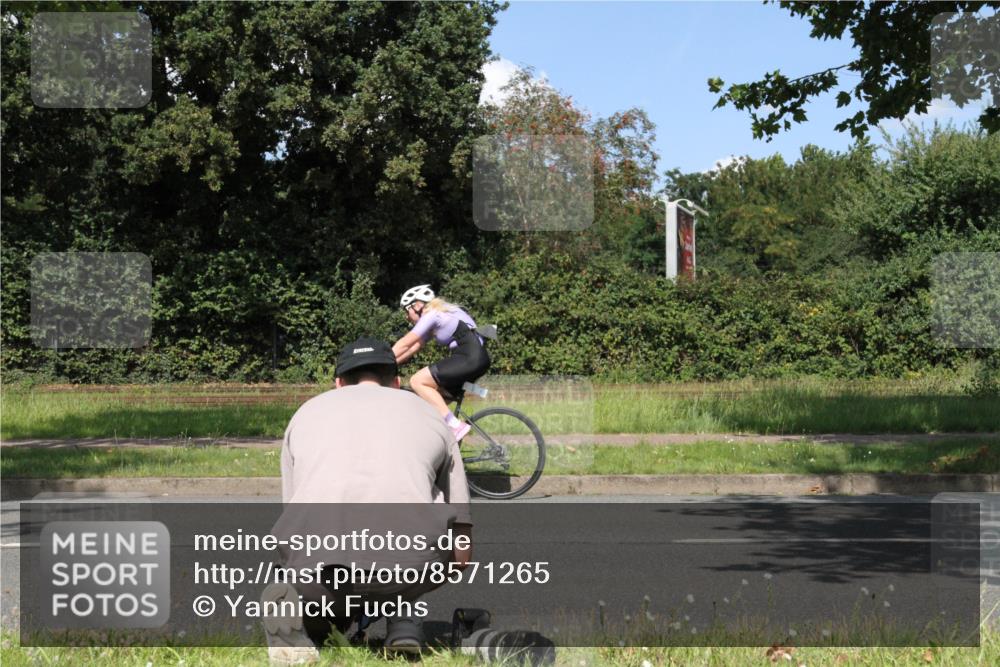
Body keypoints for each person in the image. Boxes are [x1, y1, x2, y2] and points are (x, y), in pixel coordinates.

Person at [263, 337, 473, 665]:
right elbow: (462, 548)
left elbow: (294, 514)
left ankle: (309, 627)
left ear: (338, 384)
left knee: (318, 592)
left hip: (321, 569)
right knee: (424, 527)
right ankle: (403, 618)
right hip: (409, 568)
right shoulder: (430, 415)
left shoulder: (305, 414)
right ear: (397, 382)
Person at [392, 285, 491, 441]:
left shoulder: (433, 315)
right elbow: (413, 347)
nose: (406, 316)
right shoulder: (444, 314)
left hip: (469, 358)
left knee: (417, 381)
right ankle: (440, 444)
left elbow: (406, 342)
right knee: (432, 409)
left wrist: (381, 359)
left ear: (417, 306)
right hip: (478, 358)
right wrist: (391, 363)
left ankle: (455, 425)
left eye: (406, 311)